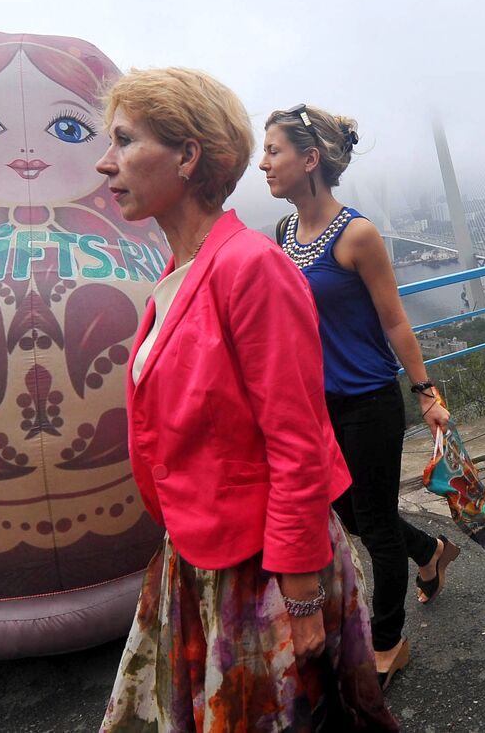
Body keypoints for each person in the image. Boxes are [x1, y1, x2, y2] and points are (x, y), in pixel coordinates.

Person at [95, 69, 399, 732]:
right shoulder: (176, 276)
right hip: (200, 556)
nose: (105, 161)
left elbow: (296, 435)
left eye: (123, 140)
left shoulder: (249, 265)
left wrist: (300, 590)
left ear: (187, 154)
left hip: (262, 566)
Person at [261, 103, 459, 686]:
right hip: (315, 401)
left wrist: (425, 392)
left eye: (274, 151)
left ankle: (390, 640)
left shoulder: (358, 234)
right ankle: (429, 550)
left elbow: (395, 321)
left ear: (311, 159)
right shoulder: (285, 232)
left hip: (368, 400)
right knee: (349, 511)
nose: (263, 163)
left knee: (371, 524)